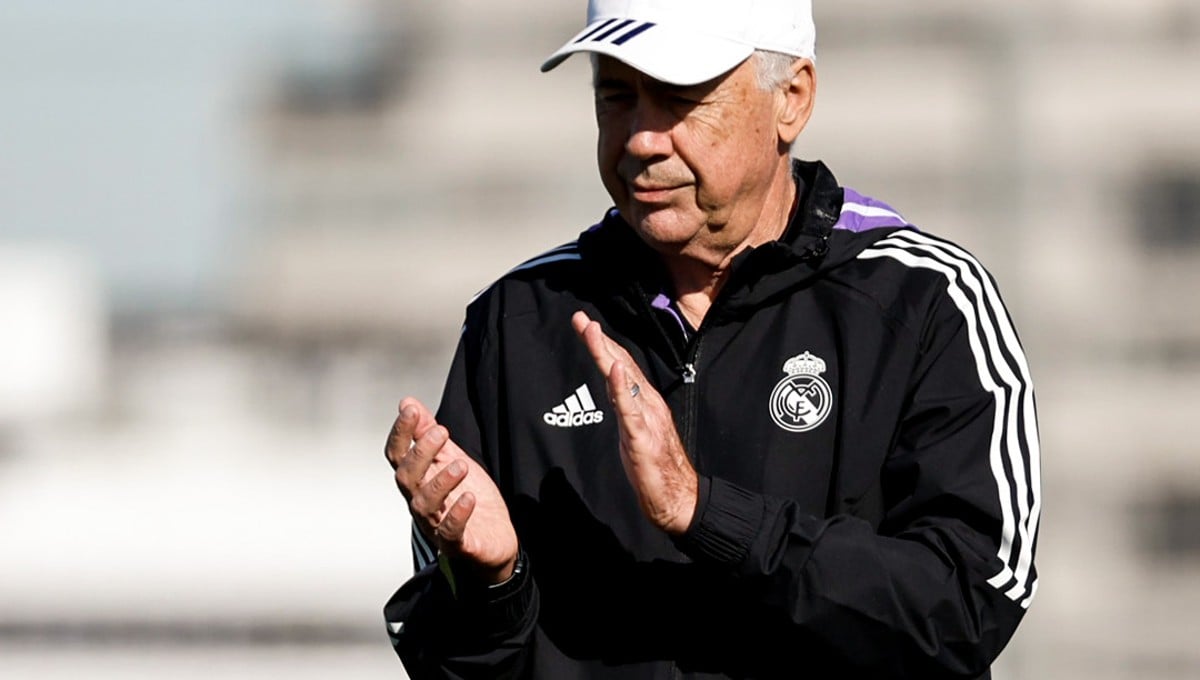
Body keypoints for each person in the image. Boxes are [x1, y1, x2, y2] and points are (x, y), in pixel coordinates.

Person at [383, 0, 1041, 677]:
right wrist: (492, 586)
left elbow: (969, 605)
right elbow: (453, 664)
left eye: (680, 98)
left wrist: (705, 512)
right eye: (616, 96)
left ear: (792, 99)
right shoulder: (517, 323)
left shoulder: (924, 302)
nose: (643, 139)